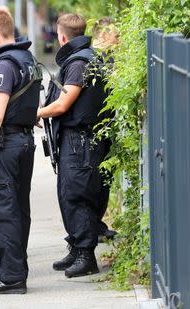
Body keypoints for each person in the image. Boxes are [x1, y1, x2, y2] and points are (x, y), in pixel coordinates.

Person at [36, 13, 110, 278]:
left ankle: (86, 255)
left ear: (63, 36)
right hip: (79, 140)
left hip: (80, 141)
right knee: (70, 193)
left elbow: (64, 103)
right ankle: (76, 247)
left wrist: (37, 113)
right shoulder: (87, 57)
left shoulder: (79, 62)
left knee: (78, 196)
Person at [0, 8, 39, 295]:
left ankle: (11, 276)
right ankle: (18, 269)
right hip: (24, 143)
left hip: (5, 145)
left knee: (2, 211)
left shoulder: (3, 64)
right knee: (19, 209)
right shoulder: (28, 58)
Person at [92, 17, 119, 242]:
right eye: (116, 36)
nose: (118, 40)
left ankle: (96, 224)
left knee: (103, 181)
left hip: (106, 130)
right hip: (93, 131)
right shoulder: (92, 62)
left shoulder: (110, 60)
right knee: (94, 183)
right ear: (103, 35)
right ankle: (92, 227)